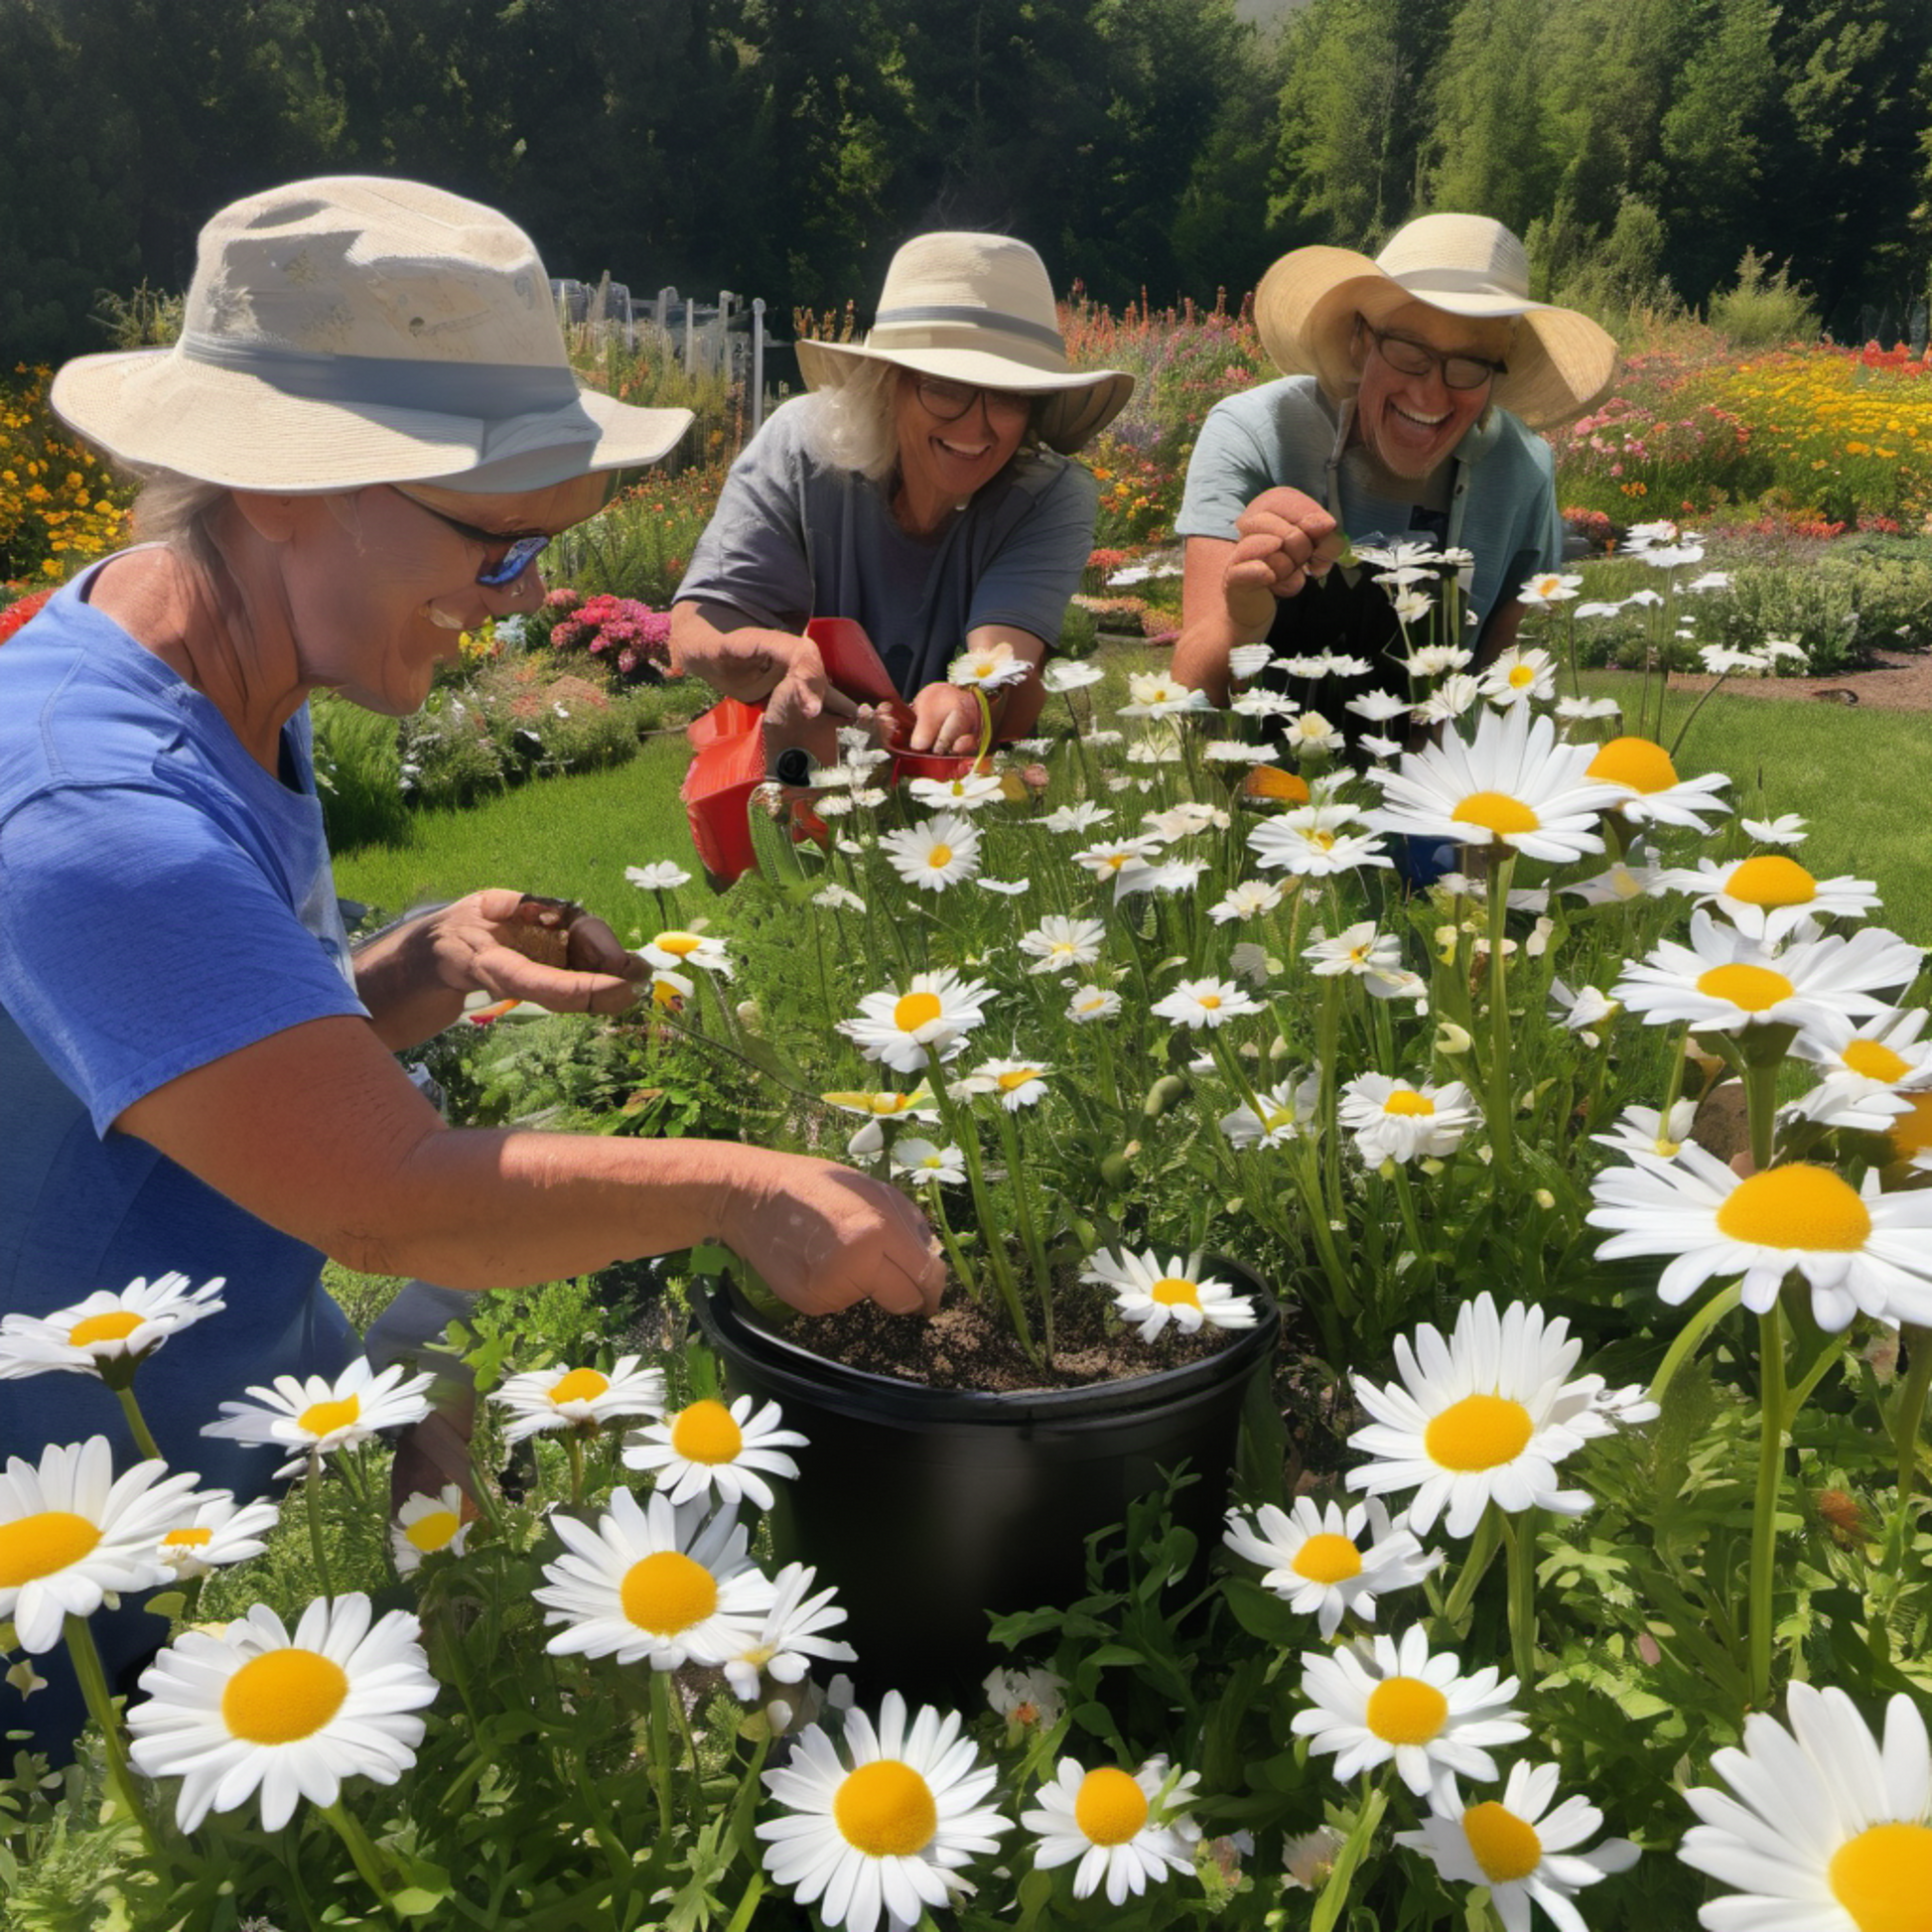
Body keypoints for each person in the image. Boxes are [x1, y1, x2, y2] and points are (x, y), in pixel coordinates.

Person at [0, 177, 944, 1755]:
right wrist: (753, 1186)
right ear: (282, 483)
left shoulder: (221, 659)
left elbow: (186, 1066)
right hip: (98, 1600)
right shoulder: (90, 804)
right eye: (497, 545)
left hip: (247, 1415)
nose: (514, 609)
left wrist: (413, 965)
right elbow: (386, 1195)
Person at [670, 231, 1133, 759]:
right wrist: (774, 656)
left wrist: (968, 697)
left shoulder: (1049, 495)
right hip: (787, 768)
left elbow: (1003, 656)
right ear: (887, 384)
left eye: (1009, 396)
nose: (977, 426)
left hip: (957, 787)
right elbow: (698, 625)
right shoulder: (801, 447)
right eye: (945, 387)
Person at [1171, 214, 1616, 742]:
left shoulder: (1523, 469)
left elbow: (1511, 677)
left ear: (1500, 367)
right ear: (1360, 340)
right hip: (1260, 775)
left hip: (1435, 781)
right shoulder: (1256, 433)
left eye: (1470, 364)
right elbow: (1189, 699)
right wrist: (1240, 623)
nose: (1429, 395)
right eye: (1408, 351)